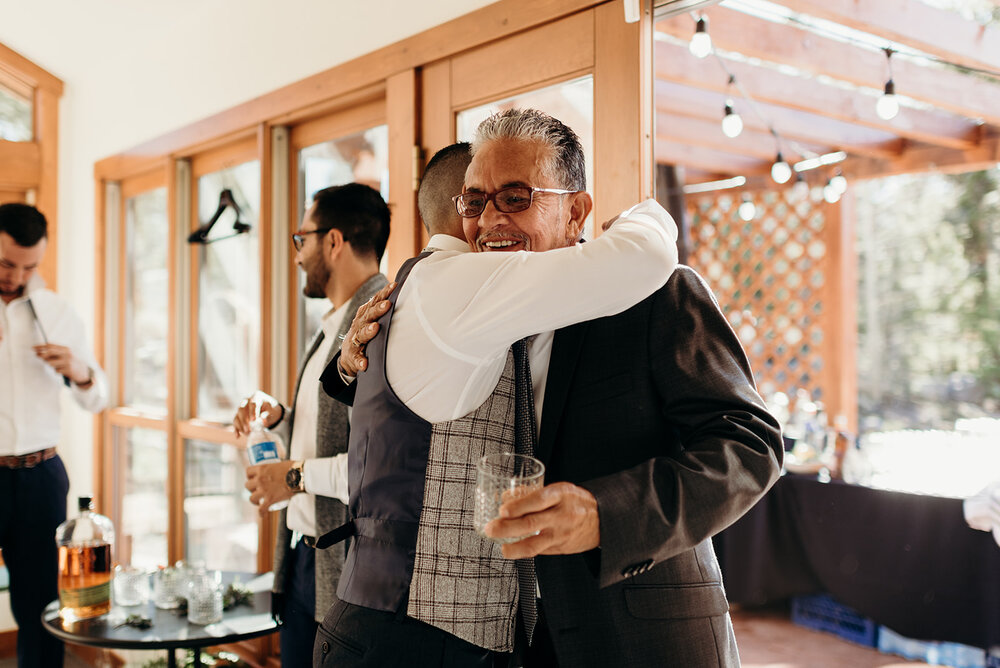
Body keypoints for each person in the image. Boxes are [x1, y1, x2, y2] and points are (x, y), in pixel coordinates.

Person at [325, 109, 784, 667]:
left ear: (576, 211)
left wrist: (605, 514)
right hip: (519, 650)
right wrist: (352, 364)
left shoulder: (657, 295)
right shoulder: (475, 304)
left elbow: (750, 444)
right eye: (475, 201)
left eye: (515, 197)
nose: (489, 220)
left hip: (645, 638)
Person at [231, 183, 389, 668]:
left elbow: (380, 463)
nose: (297, 255)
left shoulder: (378, 324)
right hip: (305, 558)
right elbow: (334, 425)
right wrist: (280, 416)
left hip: (346, 567)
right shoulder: (334, 323)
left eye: (302, 239)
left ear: (334, 242)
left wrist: (294, 475)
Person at [0, 203, 108, 668]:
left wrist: (80, 372)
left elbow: (97, 396)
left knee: (41, 607)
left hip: (40, 477)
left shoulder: (57, 312)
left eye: (29, 266)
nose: (17, 276)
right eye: (6, 263)